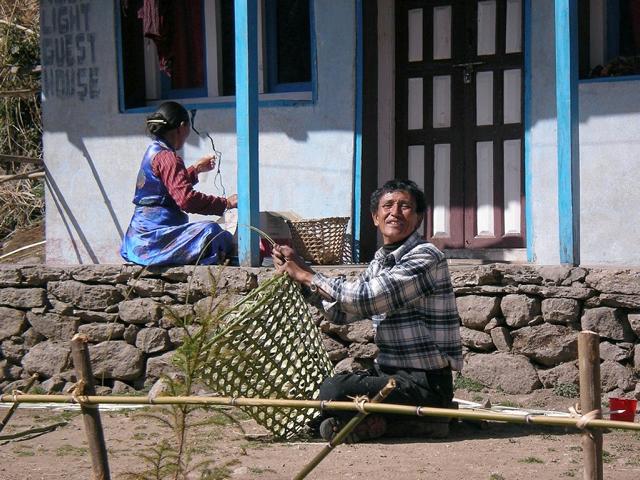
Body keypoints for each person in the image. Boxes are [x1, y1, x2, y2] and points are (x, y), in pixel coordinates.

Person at [272, 179, 462, 442]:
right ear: (375, 217)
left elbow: (368, 298)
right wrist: (300, 277)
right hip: (390, 376)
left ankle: (425, 418)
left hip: (424, 384)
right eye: (387, 206)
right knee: (323, 391)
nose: (395, 212)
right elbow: (343, 312)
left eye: (405, 206)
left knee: (333, 389)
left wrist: (307, 275)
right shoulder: (380, 262)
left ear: (418, 219)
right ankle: (390, 422)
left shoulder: (427, 256)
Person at [120, 101, 238, 266]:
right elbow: (186, 199)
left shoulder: (153, 152)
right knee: (213, 233)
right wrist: (225, 203)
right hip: (154, 240)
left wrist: (195, 169)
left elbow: (165, 189)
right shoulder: (168, 157)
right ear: (182, 127)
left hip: (137, 239)